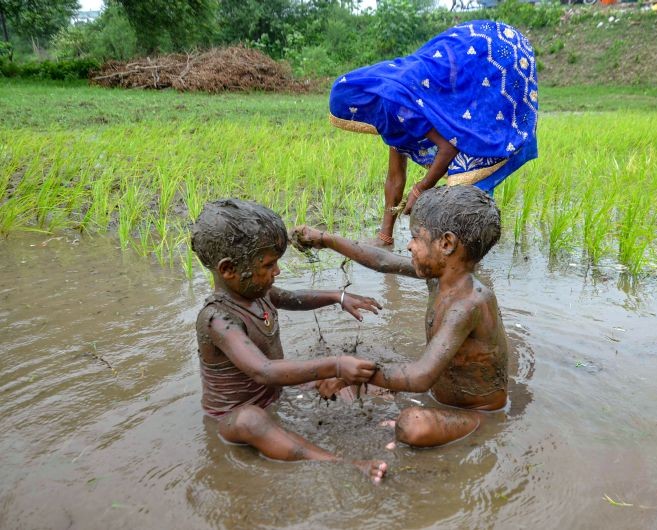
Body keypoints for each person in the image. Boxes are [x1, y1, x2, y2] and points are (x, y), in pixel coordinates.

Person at [292, 186, 508, 448]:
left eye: (416, 237)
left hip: (478, 414)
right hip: (439, 395)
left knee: (411, 424)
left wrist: (351, 374)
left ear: (447, 244)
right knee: (328, 375)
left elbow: (420, 377)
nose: (409, 245)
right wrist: (324, 239)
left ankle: (472, 428)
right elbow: (382, 260)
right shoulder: (440, 278)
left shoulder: (468, 304)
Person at [190, 198, 388, 483]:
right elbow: (264, 371)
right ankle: (338, 463)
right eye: (269, 264)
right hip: (232, 418)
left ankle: (382, 422)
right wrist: (335, 364)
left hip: (275, 395)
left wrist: (338, 296)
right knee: (251, 420)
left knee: (338, 381)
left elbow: (294, 299)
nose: (278, 271)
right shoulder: (217, 319)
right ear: (228, 270)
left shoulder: (258, 294)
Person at [329, 20, 538, 247]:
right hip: (452, 75)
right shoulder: (387, 109)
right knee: (462, 181)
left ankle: (471, 255)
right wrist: (385, 235)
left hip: (491, 62)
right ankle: (465, 251)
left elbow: (449, 147)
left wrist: (421, 188)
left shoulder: (397, 105)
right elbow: (395, 177)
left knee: (469, 173)